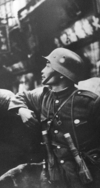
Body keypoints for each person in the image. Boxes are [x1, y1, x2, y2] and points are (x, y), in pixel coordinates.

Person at [9, 47, 100, 188]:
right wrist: (22, 110)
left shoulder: (89, 102)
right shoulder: (43, 96)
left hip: (86, 176)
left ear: (61, 73)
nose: (42, 70)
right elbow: (20, 97)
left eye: (47, 65)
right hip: (54, 174)